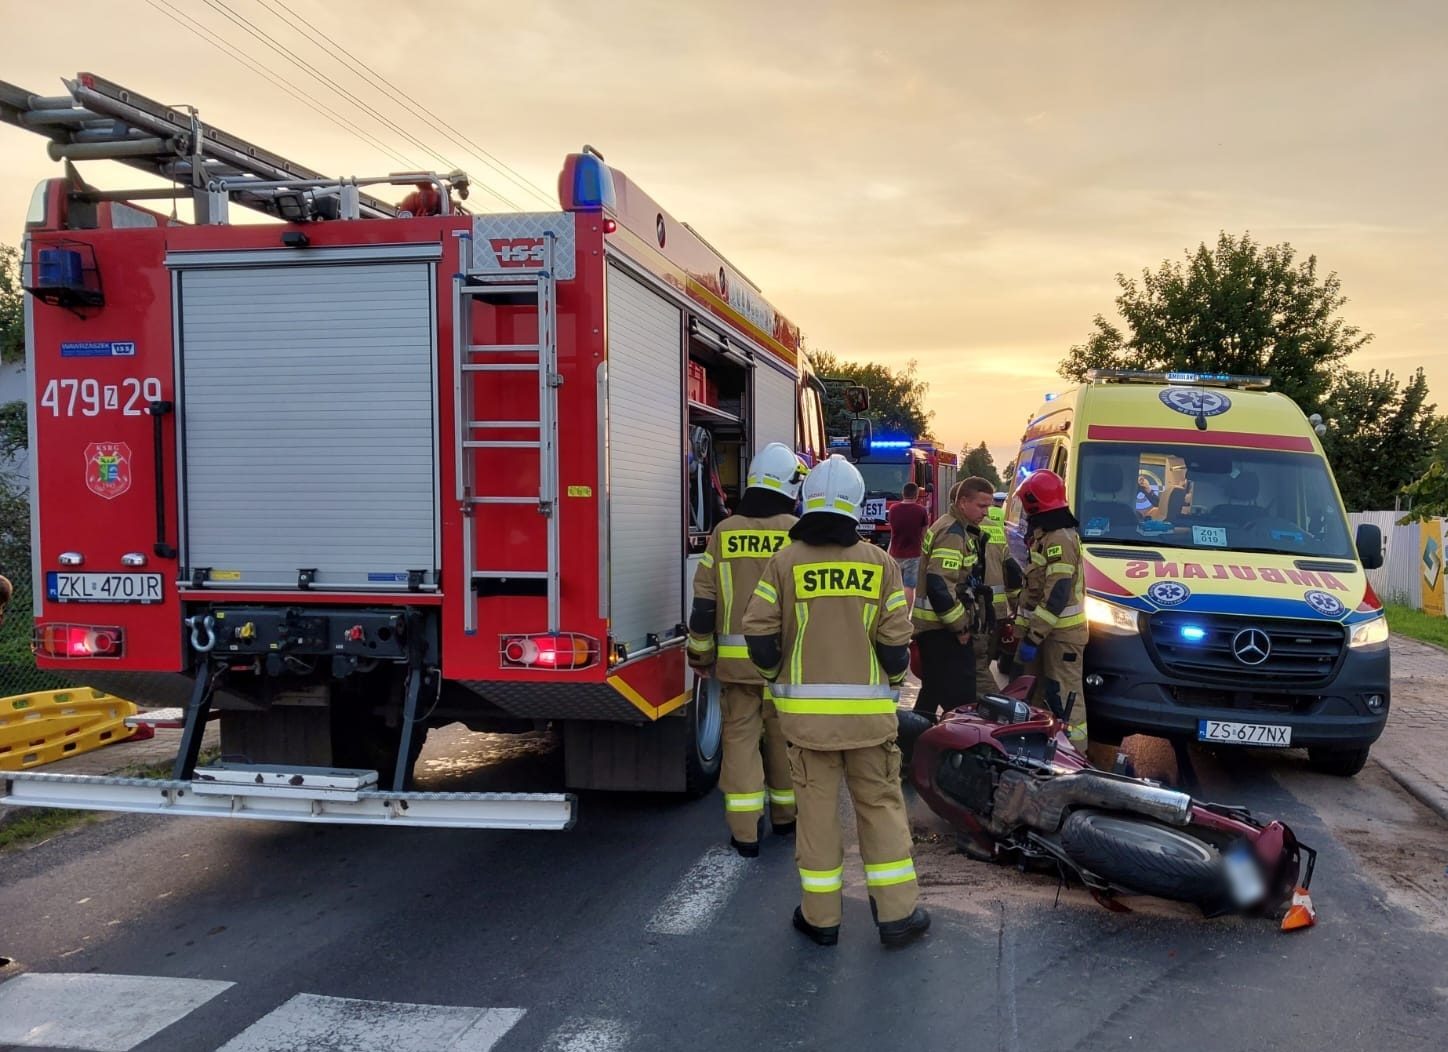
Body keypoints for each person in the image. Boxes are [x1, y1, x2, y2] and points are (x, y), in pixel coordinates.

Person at [743, 455, 928, 948]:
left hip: (806, 727)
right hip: (869, 723)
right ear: (856, 504)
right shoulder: (879, 563)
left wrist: (776, 681)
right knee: (881, 809)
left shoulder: (784, 562)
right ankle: (897, 916)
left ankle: (821, 919)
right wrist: (889, 683)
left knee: (818, 818)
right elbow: (895, 645)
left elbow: (758, 636)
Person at [688, 442, 808, 857]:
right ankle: (786, 818)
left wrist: (700, 655)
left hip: (736, 668)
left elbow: (704, 602)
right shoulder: (796, 532)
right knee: (782, 738)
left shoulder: (724, 532)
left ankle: (744, 833)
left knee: (739, 740)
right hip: (783, 663)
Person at [1001, 470, 1116, 770]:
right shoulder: (1047, 536)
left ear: (1035, 504)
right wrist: (1023, 632)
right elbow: (1033, 592)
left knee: (1066, 700)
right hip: (1043, 635)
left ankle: (1075, 762)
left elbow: (1057, 595)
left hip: (1061, 637)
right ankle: (1040, 756)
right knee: (1036, 695)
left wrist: (1033, 637)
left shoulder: (1060, 539)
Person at [911, 477, 993, 719]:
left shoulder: (952, 526)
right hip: (943, 631)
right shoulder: (952, 532)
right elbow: (939, 585)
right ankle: (959, 750)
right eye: (981, 506)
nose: (986, 513)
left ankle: (914, 743)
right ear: (964, 501)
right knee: (963, 699)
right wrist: (960, 628)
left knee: (932, 692)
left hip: (934, 630)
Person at [886, 482, 929, 608]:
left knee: (895, 585)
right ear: (916, 495)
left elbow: (893, 531)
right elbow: (925, 534)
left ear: (902, 494)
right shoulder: (921, 510)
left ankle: (895, 611)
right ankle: (906, 614)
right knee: (909, 586)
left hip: (895, 553)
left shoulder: (893, 509)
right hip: (914, 554)